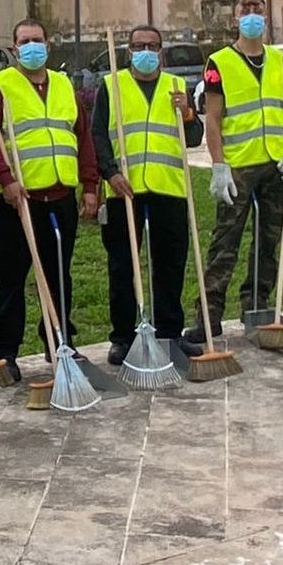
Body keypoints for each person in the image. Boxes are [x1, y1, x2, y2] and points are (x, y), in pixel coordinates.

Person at [0, 17, 101, 382]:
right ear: (15, 49)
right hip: (19, 199)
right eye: (25, 41)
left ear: (48, 45)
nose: (32, 47)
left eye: (38, 40)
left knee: (59, 275)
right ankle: (6, 352)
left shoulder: (64, 86)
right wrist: (4, 179)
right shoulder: (0, 86)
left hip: (60, 196)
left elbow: (83, 138)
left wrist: (89, 185)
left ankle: (59, 340)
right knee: (11, 278)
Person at [185, 0, 283, 343]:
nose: (253, 16)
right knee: (225, 242)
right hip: (239, 165)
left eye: (259, 10)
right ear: (235, 17)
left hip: (277, 162)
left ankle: (257, 304)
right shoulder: (220, 62)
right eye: (246, 10)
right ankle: (208, 315)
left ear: (266, 16)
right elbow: (212, 119)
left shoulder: (280, 59)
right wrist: (218, 165)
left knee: (269, 240)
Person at [93, 25, 204, 365]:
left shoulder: (176, 87)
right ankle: (123, 337)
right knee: (123, 266)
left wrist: (187, 112)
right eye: (139, 45)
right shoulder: (112, 84)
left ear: (161, 51)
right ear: (128, 50)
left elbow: (194, 136)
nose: (145, 51)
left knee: (170, 265)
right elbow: (98, 134)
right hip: (125, 190)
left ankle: (169, 332)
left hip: (168, 188)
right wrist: (110, 173)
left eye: (152, 46)